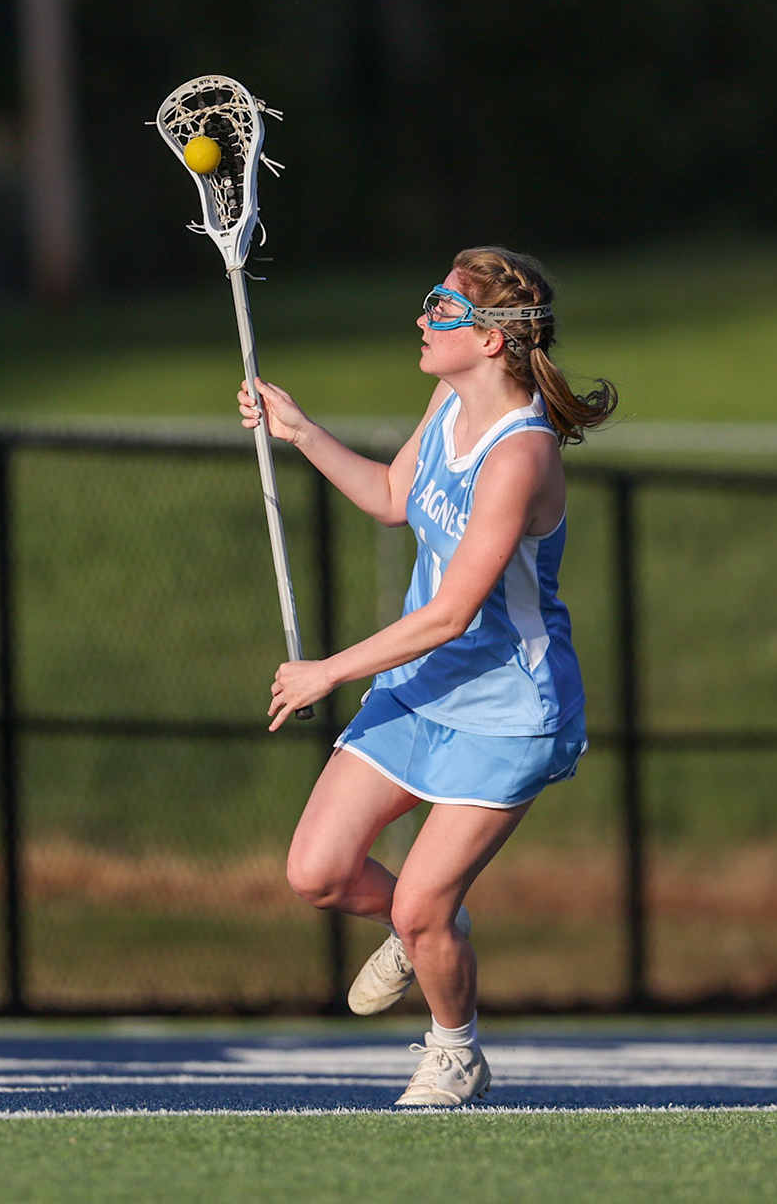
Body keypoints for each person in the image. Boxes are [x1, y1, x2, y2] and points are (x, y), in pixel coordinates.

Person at [238, 246, 617, 1107]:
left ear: (490, 341)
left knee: (418, 905)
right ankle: (429, 921)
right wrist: (300, 433)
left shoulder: (521, 455)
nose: (422, 319)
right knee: (319, 871)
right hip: (424, 690)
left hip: (509, 711)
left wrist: (325, 672)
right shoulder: (448, 397)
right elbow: (391, 498)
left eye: (441, 310)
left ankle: (455, 1048)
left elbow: (449, 614)